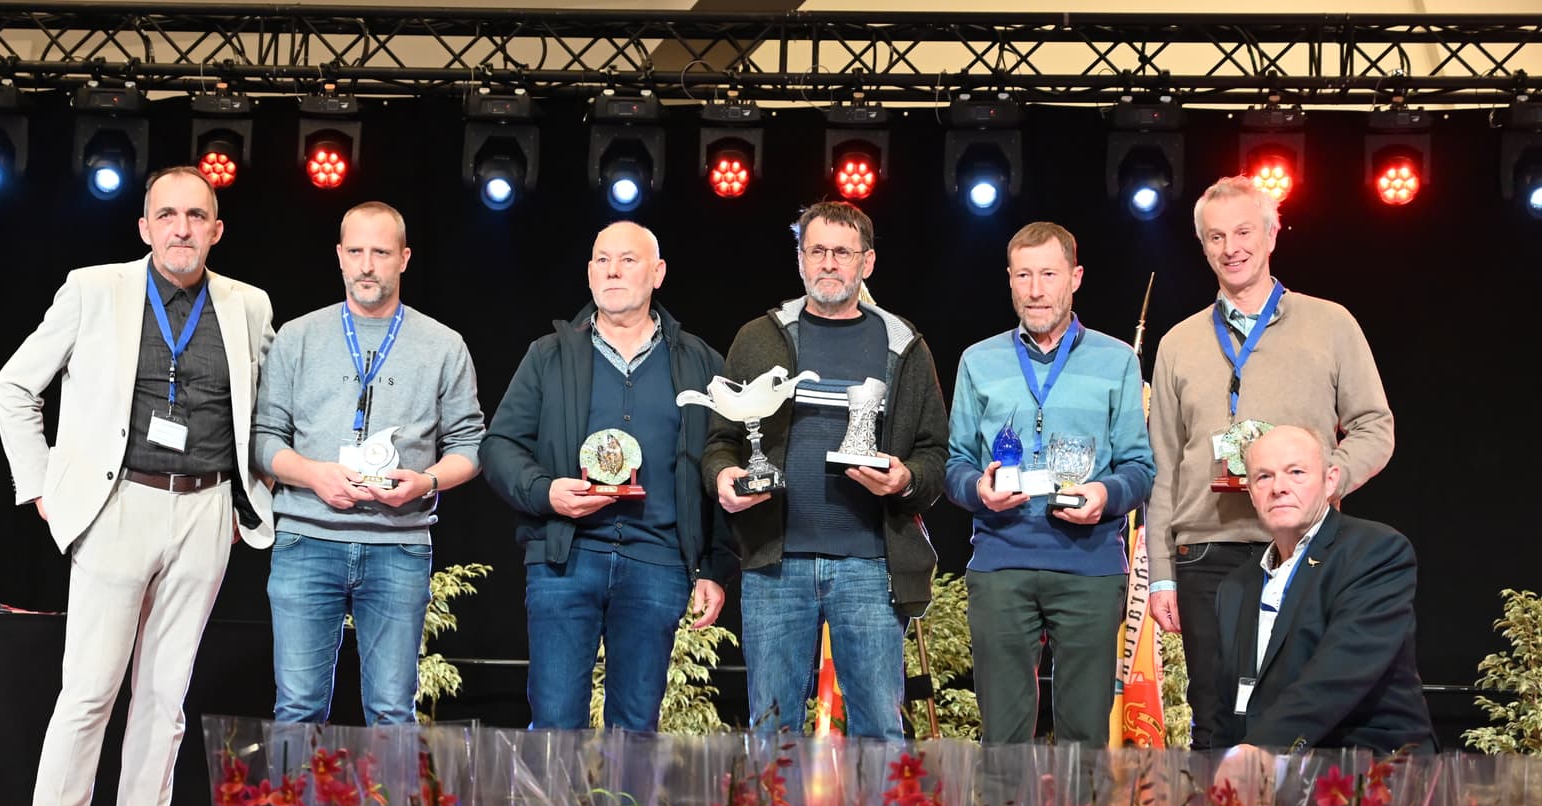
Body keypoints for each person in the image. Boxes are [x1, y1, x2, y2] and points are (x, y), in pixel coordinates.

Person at [0, 166, 275, 806]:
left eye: (197, 216)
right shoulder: (95, 289)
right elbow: (14, 387)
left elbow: (267, 410)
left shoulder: (248, 305)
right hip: (118, 503)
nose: (183, 227)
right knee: (89, 691)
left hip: (207, 507)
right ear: (144, 227)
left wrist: (257, 493)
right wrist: (44, 488)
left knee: (164, 695)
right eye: (168, 214)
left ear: (217, 230)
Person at [1148, 175, 1395, 748]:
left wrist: (1326, 480)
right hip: (1205, 552)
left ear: (1272, 234)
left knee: (1303, 714)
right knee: (1213, 718)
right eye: (1216, 237)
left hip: (1303, 548)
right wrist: (1160, 572)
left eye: (1243, 232)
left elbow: (1375, 426)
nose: (1231, 248)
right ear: (1203, 246)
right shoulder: (1178, 343)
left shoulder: (1331, 324)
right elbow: (1163, 465)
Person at [703, 200, 948, 740]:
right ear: (800, 259)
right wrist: (723, 478)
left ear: (868, 262)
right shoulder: (758, 337)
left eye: (842, 252)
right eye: (816, 250)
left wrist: (905, 479)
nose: (829, 263)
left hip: (870, 567)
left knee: (880, 734)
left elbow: (935, 454)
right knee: (771, 735)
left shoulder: (903, 344)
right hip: (774, 566)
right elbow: (721, 440)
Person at [481, 222, 733, 730]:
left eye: (628, 260)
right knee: (554, 727)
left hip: (658, 562)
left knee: (635, 729)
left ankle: (625, 793)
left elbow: (721, 460)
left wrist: (714, 567)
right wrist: (546, 493)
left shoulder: (701, 362)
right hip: (565, 558)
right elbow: (499, 446)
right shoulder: (548, 355)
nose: (613, 271)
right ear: (590, 272)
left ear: (658, 273)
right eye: (602, 260)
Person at [252, 201, 484, 726]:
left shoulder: (443, 345)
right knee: (297, 708)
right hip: (307, 540)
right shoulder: (298, 336)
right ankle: (298, 791)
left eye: (380, 252)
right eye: (355, 251)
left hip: (398, 545)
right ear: (339, 256)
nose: (366, 265)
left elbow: (471, 446)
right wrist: (314, 475)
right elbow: (263, 439)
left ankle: (387, 793)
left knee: (392, 713)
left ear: (404, 258)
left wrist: (425, 481)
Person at [945, 222, 1155, 745]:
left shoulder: (1117, 360)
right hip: (1001, 563)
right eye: (1023, 276)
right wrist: (978, 490)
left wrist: (1105, 495)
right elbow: (955, 464)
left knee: (1086, 737)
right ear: (1009, 280)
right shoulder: (978, 360)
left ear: (1075, 278)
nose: (1035, 290)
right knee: (1002, 738)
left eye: (1048, 275)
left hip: (1090, 566)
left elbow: (1139, 467)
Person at [1214, 425, 1433, 753]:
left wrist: (1261, 750)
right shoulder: (1235, 587)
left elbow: (1341, 671)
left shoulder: (1374, 551)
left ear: (1330, 481)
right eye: (1264, 477)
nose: (1279, 488)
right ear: (1250, 493)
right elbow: (1223, 708)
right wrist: (1215, 771)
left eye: (1296, 472)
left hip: (1368, 767)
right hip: (1264, 772)